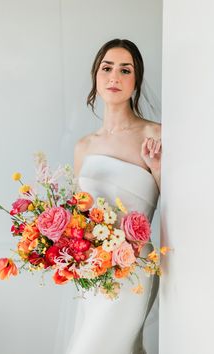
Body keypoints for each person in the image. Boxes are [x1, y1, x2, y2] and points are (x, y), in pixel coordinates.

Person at [66, 38, 161, 354]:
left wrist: (157, 168)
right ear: (96, 75)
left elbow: (179, 204)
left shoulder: (156, 135)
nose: (114, 77)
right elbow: (78, 217)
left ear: (136, 80)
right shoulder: (84, 146)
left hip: (132, 269)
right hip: (92, 273)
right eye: (107, 68)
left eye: (125, 70)